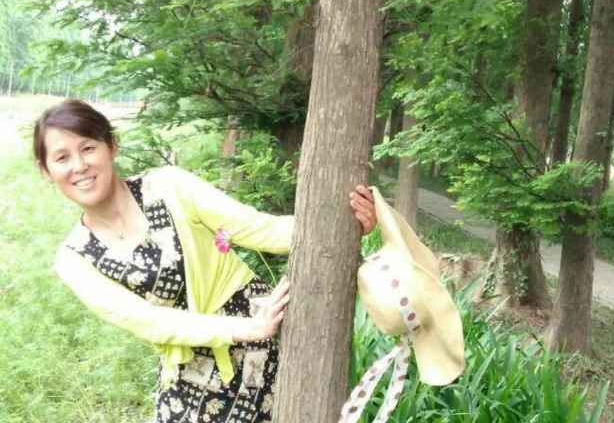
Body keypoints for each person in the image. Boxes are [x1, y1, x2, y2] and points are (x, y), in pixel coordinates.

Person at [34, 99, 376, 423]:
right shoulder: (74, 259)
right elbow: (150, 321)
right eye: (62, 157)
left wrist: (345, 227)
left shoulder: (168, 187)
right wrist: (245, 329)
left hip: (264, 346)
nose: (79, 166)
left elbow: (261, 229)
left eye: (88, 148)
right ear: (46, 171)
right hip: (196, 368)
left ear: (112, 145)